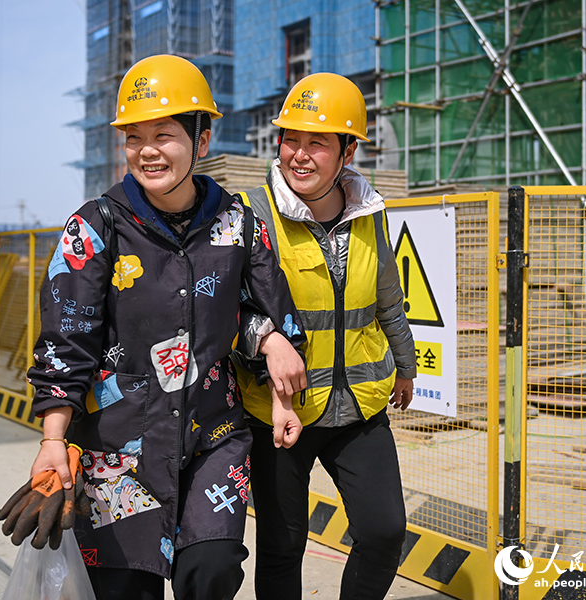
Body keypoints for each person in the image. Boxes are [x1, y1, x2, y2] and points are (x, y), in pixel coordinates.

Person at [19, 55, 307, 600]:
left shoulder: (239, 222)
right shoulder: (95, 227)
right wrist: (53, 439)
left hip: (213, 437)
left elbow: (267, 311)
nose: (147, 150)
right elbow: (66, 340)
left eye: (165, 134)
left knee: (213, 570)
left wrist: (273, 351)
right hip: (117, 450)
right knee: (128, 588)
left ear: (201, 142)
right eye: (134, 136)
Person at [233, 72, 418, 600]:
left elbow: (387, 299)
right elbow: (225, 313)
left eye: (318, 142)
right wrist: (266, 339)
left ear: (348, 150)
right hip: (279, 410)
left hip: (359, 408)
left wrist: (405, 367)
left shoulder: (368, 214)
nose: (300, 154)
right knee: (282, 546)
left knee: (384, 532)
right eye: (292, 139)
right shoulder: (251, 214)